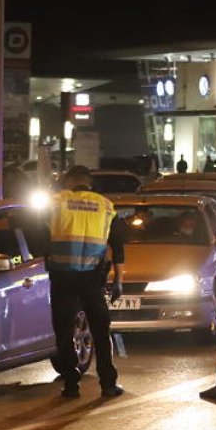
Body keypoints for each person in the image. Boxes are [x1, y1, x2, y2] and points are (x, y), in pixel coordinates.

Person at [47, 165, 125, 398]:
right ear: (89, 183)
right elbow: (118, 247)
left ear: (69, 182)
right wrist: (119, 280)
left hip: (62, 277)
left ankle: (71, 384)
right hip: (92, 278)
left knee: (63, 331)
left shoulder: (55, 202)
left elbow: (34, 230)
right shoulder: (105, 206)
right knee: (101, 331)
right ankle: (108, 384)